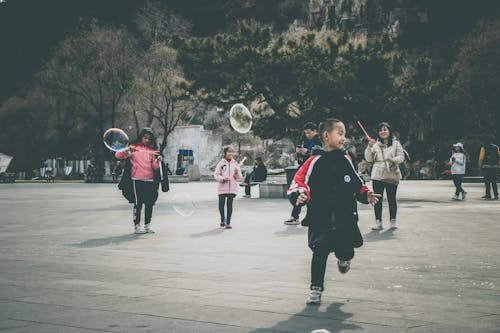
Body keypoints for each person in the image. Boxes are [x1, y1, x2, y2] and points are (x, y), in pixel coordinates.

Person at [288, 118, 379, 305]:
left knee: (346, 251)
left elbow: (356, 182)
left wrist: (365, 193)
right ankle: (315, 289)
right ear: (326, 136)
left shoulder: (345, 159)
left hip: (344, 217)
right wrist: (300, 195)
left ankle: (344, 259)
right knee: (319, 252)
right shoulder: (313, 161)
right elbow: (298, 181)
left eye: (344, 134)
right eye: (340, 133)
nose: (344, 138)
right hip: (320, 218)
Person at [115, 128, 161, 234]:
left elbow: (155, 167)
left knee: (149, 203)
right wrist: (127, 150)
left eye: (149, 138)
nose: (147, 140)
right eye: (145, 137)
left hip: (150, 180)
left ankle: (147, 225)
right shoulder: (134, 148)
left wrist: (157, 161)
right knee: (138, 203)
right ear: (141, 137)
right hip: (137, 179)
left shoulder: (151, 150)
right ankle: (137, 225)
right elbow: (118, 155)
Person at [364, 122, 405, 230]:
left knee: (392, 198)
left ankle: (393, 221)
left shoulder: (396, 143)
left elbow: (401, 157)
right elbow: (368, 159)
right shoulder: (375, 144)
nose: (383, 132)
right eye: (381, 130)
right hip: (377, 174)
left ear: (389, 131)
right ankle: (378, 222)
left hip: (391, 172)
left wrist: (393, 160)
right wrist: (369, 147)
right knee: (378, 198)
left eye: (385, 129)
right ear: (378, 133)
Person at [285, 122, 322, 225]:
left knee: (311, 194)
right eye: (306, 133)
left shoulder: (319, 140)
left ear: (315, 131)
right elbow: (303, 157)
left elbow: (320, 154)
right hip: (304, 169)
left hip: (314, 171)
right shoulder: (305, 140)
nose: (307, 135)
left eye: (309, 133)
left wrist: (308, 152)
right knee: (301, 192)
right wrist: (299, 152)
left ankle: (308, 216)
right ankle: (295, 216)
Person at [214, 146, 242, 229]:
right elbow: (216, 174)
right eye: (229, 151)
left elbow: (239, 177)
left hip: (232, 188)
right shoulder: (221, 163)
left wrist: (236, 174)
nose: (231, 153)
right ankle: (223, 218)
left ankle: (228, 222)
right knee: (221, 205)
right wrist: (222, 179)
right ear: (225, 153)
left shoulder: (235, 163)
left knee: (230, 205)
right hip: (222, 187)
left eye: (232, 152)